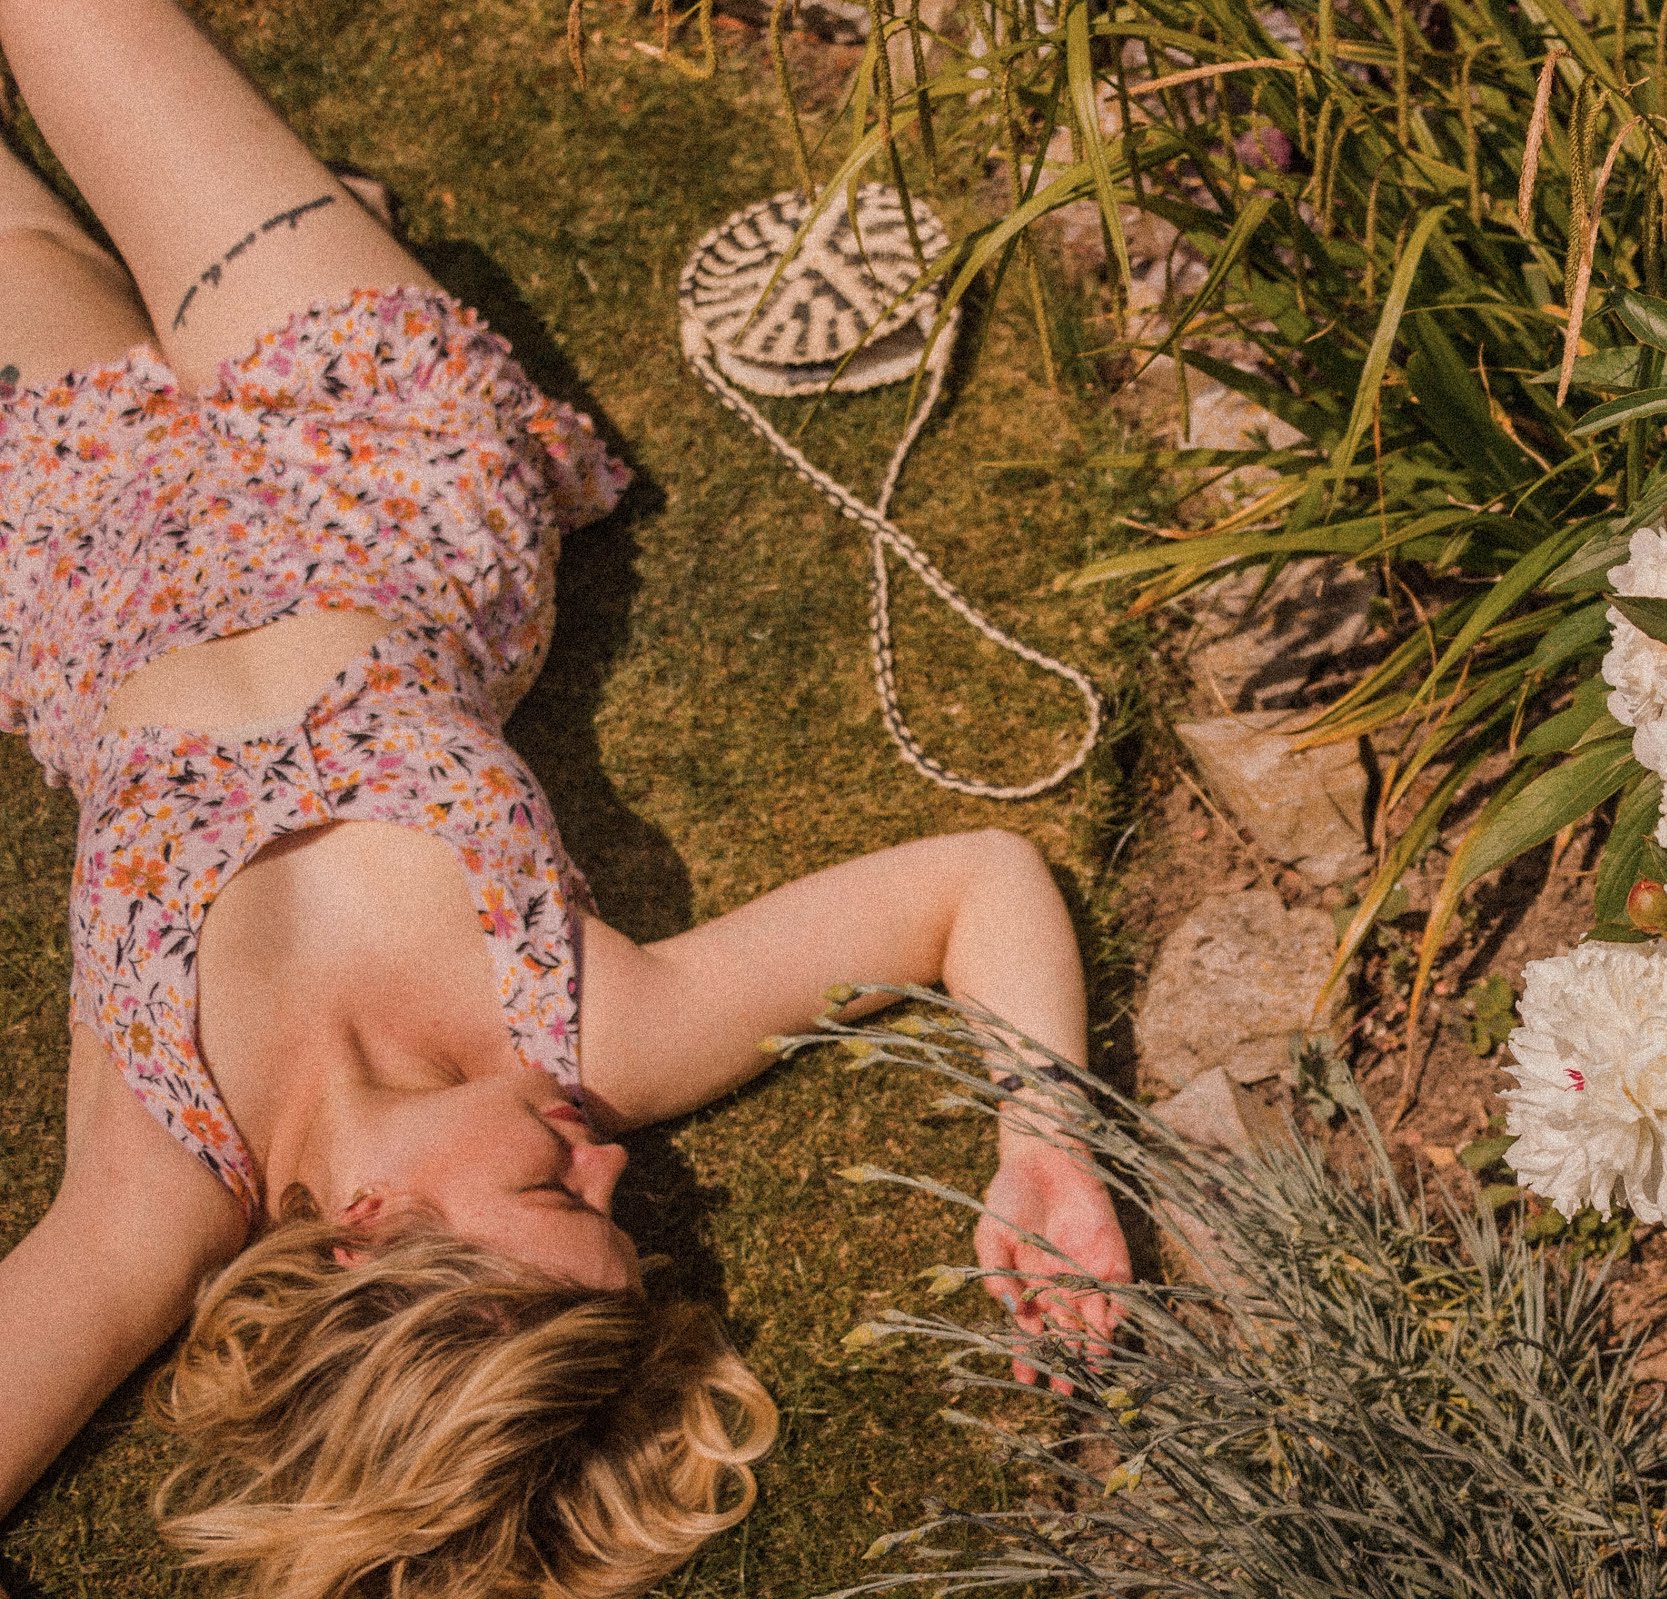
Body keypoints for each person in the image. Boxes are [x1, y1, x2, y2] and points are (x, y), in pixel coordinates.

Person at [0, 3, 1133, 1594]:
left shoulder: (160, 1193)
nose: (617, 1163)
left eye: (557, 1192)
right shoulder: (587, 1033)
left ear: (370, 1233)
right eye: (618, 1206)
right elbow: (977, 881)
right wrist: (1042, 1142)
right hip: (371, 443)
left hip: (75, 538)